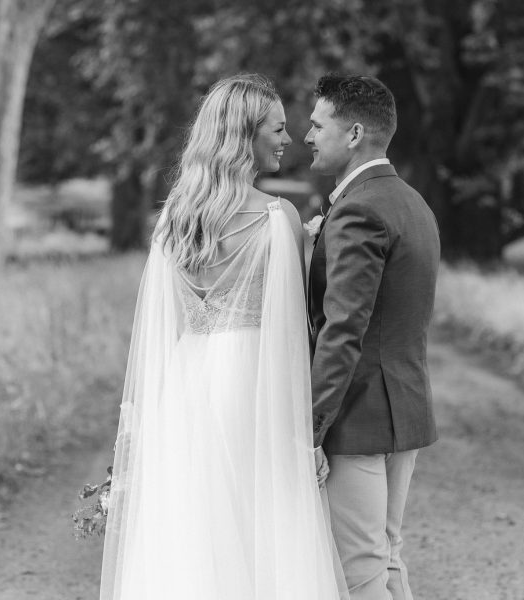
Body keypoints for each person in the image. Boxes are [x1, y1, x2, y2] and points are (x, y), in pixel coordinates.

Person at [99, 74, 346, 600]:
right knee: (263, 522)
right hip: (255, 381)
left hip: (187, 384)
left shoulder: (175, 220)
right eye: (277, 130)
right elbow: (291, 331)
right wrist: (309, 433)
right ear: (244, 136)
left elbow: (162, 329)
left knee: (196, 527)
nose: (287, 140)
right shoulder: (276, 219)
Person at [306, 73, 441, 600]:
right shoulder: (411, 201)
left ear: (355, 132)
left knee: (362, 571)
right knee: (384, 558)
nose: (307, 135)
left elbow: (344, 328)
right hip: (402, 407)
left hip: (359, 416)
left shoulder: (360, 208)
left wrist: (311, 429)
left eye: (318, 125)